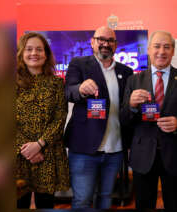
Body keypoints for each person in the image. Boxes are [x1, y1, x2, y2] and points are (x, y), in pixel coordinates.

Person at [120, 31, 177, 209]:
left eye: (167, 47)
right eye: (157, 46)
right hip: (143, 156)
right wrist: (132, 105)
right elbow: (124, 119)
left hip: (174, 154)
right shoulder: (133, 80)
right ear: (149, 50)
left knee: (174, 205)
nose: (161, 51)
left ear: (173, 51)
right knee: (144, 205)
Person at [64, 26, 133, 209]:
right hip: (84, 149)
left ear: (116, 45)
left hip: (115, 150)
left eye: (110, 40)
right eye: (101, 39)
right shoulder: (78, 64)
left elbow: (127, 109)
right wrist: (79, 89)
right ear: (92, 42)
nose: (105, 43)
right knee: (82, 201)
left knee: (106, 198)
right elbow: (68, 92)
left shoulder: (126, 72)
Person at [15, 32, 70, 208]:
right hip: (18, 155)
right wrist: (26, 148)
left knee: (45, 204)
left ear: (46, 54)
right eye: (29, 49)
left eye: (39, 49)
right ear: (21, 54)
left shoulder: (56, 83)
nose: (34, 53)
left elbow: (60, 118)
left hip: (48, 154)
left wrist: (39, 144)